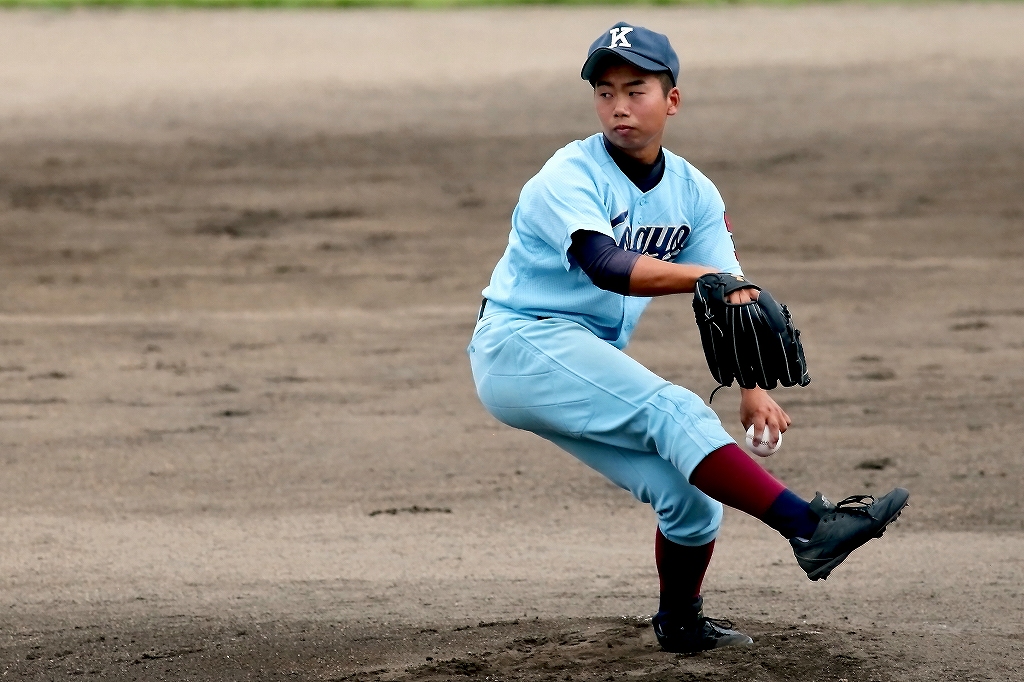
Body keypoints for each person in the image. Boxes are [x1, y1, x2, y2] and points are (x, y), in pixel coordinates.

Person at [467, 22, 908, 654]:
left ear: (671, 99)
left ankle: (680, 621)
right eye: (605, 90)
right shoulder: (566, 175)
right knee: (673, 409)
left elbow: (734, 299)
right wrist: (707, 276)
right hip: (520, 344)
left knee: (693, 501)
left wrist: (752, 389)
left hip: (578, 357)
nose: (619, 104)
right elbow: (606, 264)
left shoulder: (693, 192)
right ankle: (810, 527)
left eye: (637, 88)